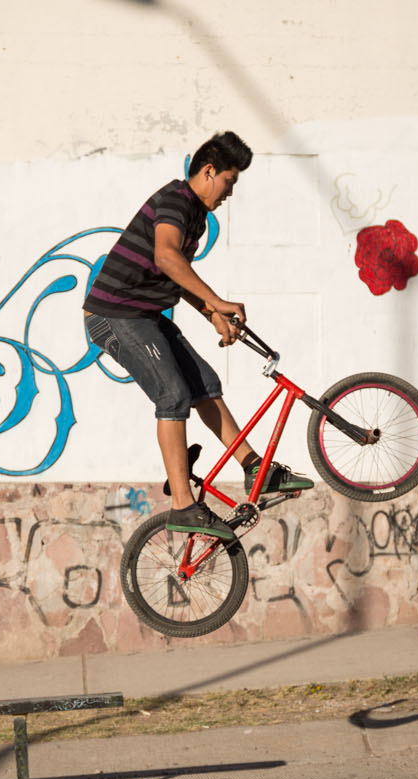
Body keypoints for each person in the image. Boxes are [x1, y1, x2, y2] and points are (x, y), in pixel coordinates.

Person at [82, 130, 311, 541]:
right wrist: (219, 301)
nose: (230, 193)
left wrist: (212, 314)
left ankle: (254, 466)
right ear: (209, 171)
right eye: (229, 181)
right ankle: (183, 505)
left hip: (144, 314)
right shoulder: (175, 201)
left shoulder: (197, 218)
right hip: (114, 314)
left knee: (205, 383)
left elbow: (177, 276)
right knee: (173, 395)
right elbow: (166, 256)